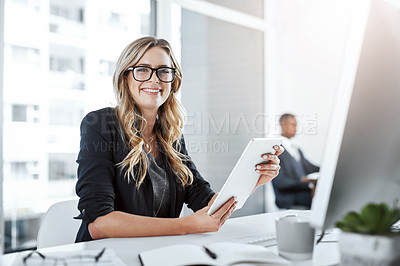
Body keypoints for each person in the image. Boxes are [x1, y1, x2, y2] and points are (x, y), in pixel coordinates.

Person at [74, 36, 284, 242]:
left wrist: (253, 180)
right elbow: (99, 224)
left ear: (173, 81)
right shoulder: (100, 123)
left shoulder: (170, 135)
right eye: (143, 70)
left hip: (157, 252)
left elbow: (203, 199)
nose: (154, 79)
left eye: (164, 71)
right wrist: (187, 226)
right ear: (125, 77)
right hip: (106, 256)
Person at [272, 113, 319, 209]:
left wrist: (330, 167)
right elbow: (281, 182)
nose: (296, 128)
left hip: (303, 193)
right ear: (283, 125)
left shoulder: (297, 149)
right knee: (320, 199)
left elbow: (310, 167)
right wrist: (305, 183)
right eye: (293, 125)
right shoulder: (276, 151)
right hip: (289, 198)